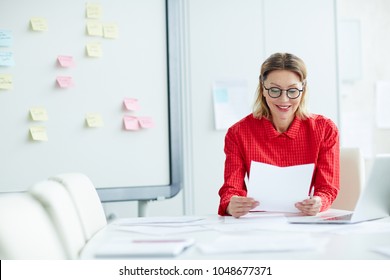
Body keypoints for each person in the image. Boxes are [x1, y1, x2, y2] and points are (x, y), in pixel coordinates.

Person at [218, 52, 339, 218]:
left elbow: (327, 189)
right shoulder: (238, 133)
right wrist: (232, 204)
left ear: (303, 90)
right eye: (275, 90)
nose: (284, 99)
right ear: (263, 90)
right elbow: (231, 189)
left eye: (292, 91)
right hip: (257, 224)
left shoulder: (325, 129)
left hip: (305, 222)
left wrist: (319, 202)